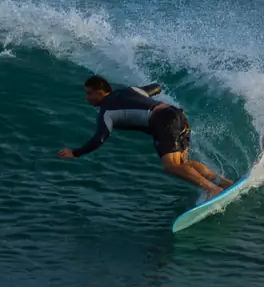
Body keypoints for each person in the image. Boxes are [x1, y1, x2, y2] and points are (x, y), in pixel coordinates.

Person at [57, 75, 233, 199]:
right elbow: (156, 87)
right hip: (177, 114)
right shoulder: (131, 90)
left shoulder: (106, 112)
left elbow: (99, 138)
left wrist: (76, 152)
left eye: (89, 93)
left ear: (100, 93)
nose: (87, 98)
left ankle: (212, 189)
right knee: (182, 164)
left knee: (171, 166)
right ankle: (224, 183)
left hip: (163, 121)